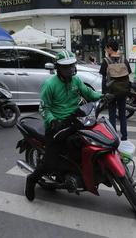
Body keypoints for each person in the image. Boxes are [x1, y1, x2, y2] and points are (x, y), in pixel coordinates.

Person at [25, 50, 102, 202]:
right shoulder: (50, 84)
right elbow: (43, 108)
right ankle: (32, 179)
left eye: (72, 65)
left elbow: (89, 94)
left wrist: (105, 96)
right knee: (50, 163)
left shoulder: (77, 81)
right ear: (58, 68)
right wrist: (52, 120)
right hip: (57, 125)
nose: (70, 69)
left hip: (76, 120)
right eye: (66, 67)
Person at [99, 40, 131, 141]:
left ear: (110, 48)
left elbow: (104, 79)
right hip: (123, 90)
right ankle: (124, 137)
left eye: (106, 48)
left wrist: (104, 94)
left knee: (112, 115)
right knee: (122, 114)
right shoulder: (123, 59)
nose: (105, 50)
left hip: (111, 91)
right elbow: (128, 72)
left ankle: (113, 136)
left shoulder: (106, 61)